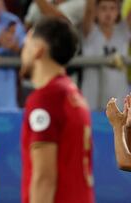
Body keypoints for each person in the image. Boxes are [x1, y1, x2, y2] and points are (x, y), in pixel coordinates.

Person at [20, 17, 95, 203]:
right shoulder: (73, 94)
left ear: (38, 50)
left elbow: (44, 178)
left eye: (26, 44)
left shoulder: (46, 98)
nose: (22, 52)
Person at [81, 0, 131, 110]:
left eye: (112, 8)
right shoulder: (89, 32)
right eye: (103, 8)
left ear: (118, 12)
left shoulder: (123, 32)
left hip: (118, 100)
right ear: (96, 12)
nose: (108, 13)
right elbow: (89, 9)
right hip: (92, 100)